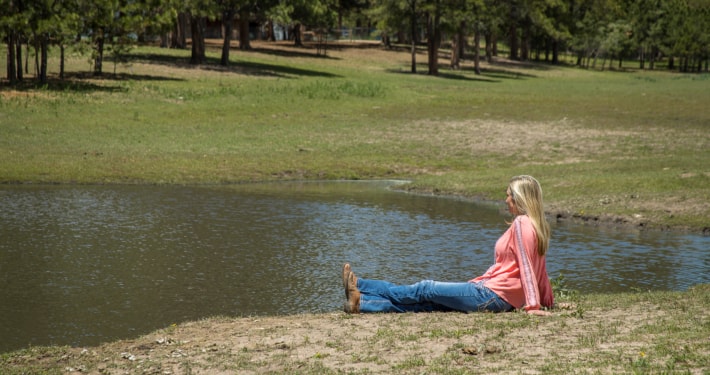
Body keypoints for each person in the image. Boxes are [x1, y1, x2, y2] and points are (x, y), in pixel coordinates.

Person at [341, 175, 554, 316]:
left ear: (519, 199)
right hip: (495, 297)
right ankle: (362, 303)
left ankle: (361, 285)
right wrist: (548, 302)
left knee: (426, 288)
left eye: (509, 195)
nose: (506, 200)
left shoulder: (521, 223)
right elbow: (540, 271)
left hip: (491, 296)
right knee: (430, 304)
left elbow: (527, 266)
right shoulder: (536, 226)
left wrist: (533, 306)